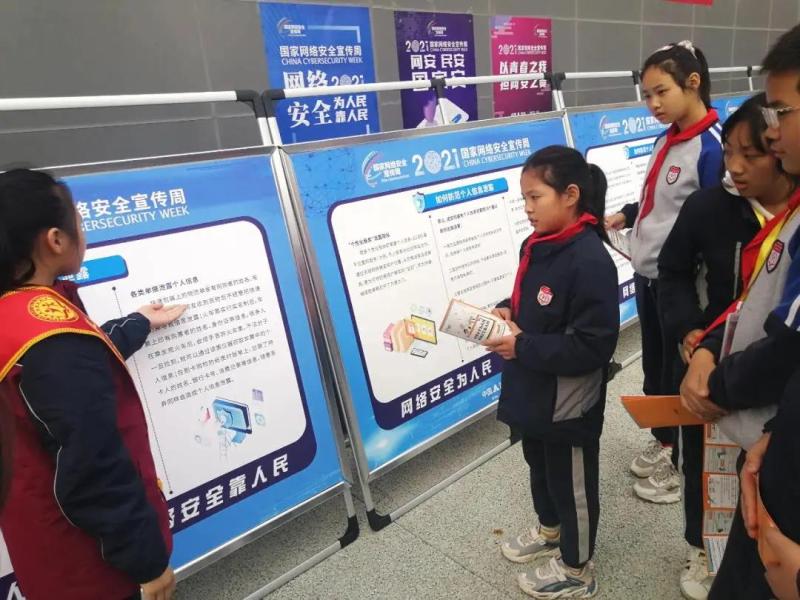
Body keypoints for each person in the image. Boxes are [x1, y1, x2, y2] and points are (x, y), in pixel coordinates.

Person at [0, 169, 186, 600]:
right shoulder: (52, 339)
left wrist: (137, 323)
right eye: (78, 222)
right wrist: (147, 563)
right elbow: (94, 465)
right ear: (55, 240)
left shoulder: (18, 316)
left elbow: (61, 380)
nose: (83, 232)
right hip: (90, 566)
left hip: (42, 548)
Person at [649, 93, 797, 600]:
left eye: (750, 155)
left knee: (759, 474)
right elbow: (672, 272)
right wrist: (689, 331)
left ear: (780, 148)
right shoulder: (708, 207)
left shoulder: (794, 219)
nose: (734, 166)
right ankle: (700, 545)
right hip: (706, 368)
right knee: (701, 464)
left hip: (768, 382)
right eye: (729, 151)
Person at [680, 23, 800, 600]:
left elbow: (788, 345)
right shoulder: (715, 208)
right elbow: (752, 302)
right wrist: (704, 345)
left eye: (783, 113)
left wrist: (719, 385)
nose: (774, 132)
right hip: (769, 446)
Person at [486, 146, 619, 598]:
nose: (526, 208)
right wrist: (506, 310)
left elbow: (594, 345)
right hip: (532, 384)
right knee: (539, 463)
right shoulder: (537, 244)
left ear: (570, 195)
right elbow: (527, 299)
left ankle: (577, 567)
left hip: (568, 400)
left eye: (535, 197)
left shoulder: (590, 260)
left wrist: (521, 345)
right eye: (523, 198)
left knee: (571, 480)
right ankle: (550, 530)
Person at [606, 40, 724, 502]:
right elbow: (661, 200)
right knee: (656, 370)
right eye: (647, 95)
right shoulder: (666, 139)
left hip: (682, 289)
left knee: (680, 374)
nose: (653, 104)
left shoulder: (711, 149)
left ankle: (681, 469)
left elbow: (714, 226)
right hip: (649, 277)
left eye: (661, 92)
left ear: (693, 83)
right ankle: (665, 443)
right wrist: (627, 214)